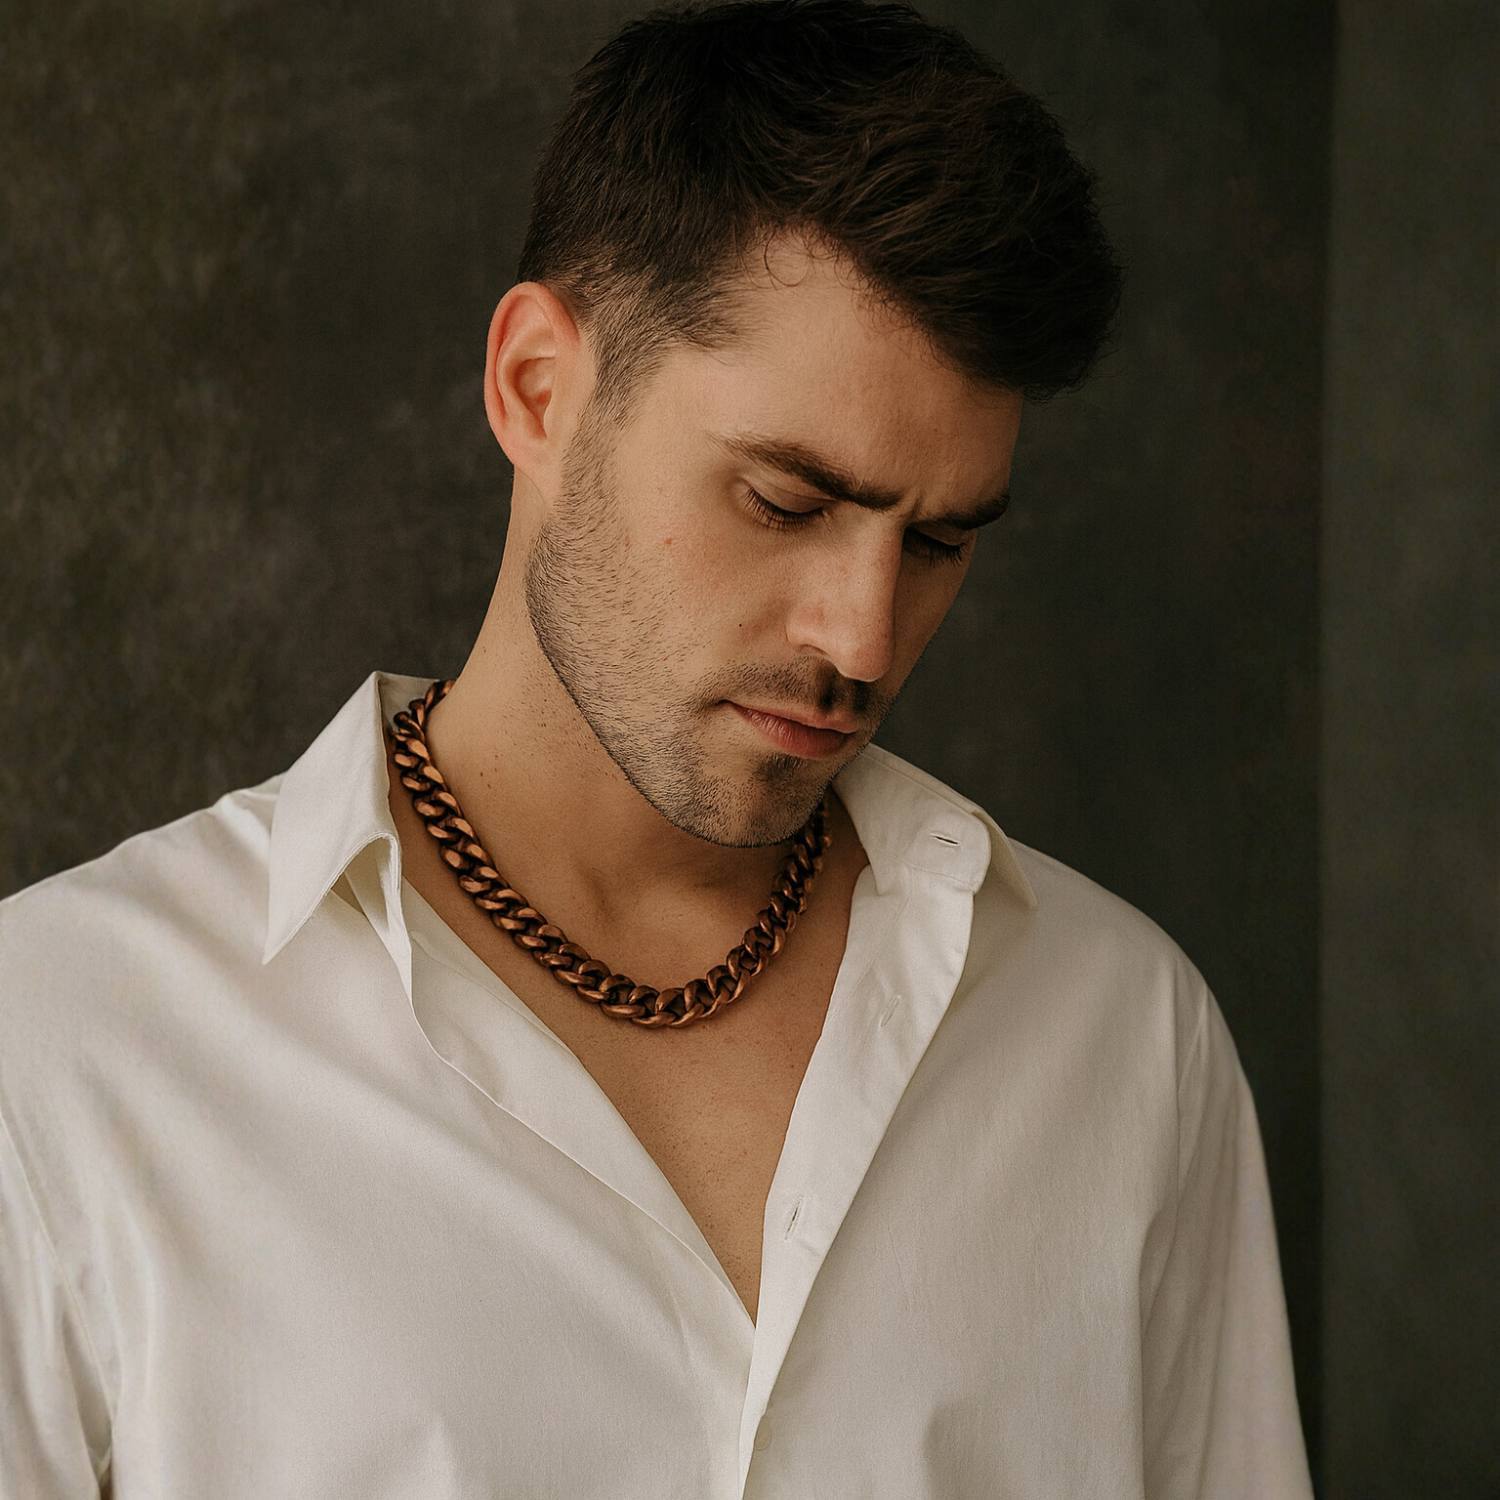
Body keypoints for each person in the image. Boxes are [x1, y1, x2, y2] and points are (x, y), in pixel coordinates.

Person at [0, 1, 1315, 1494]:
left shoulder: (1124, 1040)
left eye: (940, 539)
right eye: (785, 501)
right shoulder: (59, 1060)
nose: (863, 640)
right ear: (539, 391)